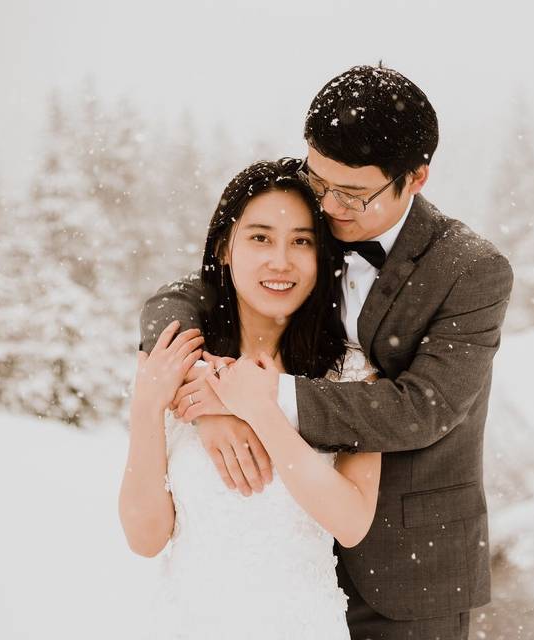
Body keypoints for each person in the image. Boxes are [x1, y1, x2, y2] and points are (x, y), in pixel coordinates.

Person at [142, 65, 513, 640]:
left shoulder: (469, 270)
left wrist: (262, 399)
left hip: (411, 569)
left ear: (415, 178)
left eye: (353, 194)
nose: (330, 204)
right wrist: (203, 390)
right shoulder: (305, 210)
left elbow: (424, 409)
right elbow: (187, 292)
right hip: (281, 558)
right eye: (319, 181)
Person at [120, 158, 381, 639]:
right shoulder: (180, 365)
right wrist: (146, 406)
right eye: (260, 237)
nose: (280, 261)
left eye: (301, 241)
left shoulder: (350, 372)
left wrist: (259, 409)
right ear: (224, 247)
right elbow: (145, 538)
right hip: (190, 624)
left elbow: (351, 522)